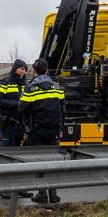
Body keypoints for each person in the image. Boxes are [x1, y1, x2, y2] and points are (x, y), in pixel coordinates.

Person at [19, 58, 66, 203]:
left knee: (39, 162)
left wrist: (26, 126)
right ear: (47, 71)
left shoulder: (30, 89)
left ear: (34, 71)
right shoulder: (58, 88)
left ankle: (42, 194)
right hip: (53, 130)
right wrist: (60, 128)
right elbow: (63, 110)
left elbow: (21, 109)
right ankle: (53, 193)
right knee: (52, 162)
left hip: (36, 131)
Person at [0, 58, 33, 198]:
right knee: (6, 156)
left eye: (25, 69)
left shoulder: (25, 85)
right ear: (15, 68)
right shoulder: (4, 83)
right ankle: (3, 188)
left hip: (21, 125)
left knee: (19, 157)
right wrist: (17, 104)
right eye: (21, 68)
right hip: (8, 124)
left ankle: (18, 188)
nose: (23, 71)